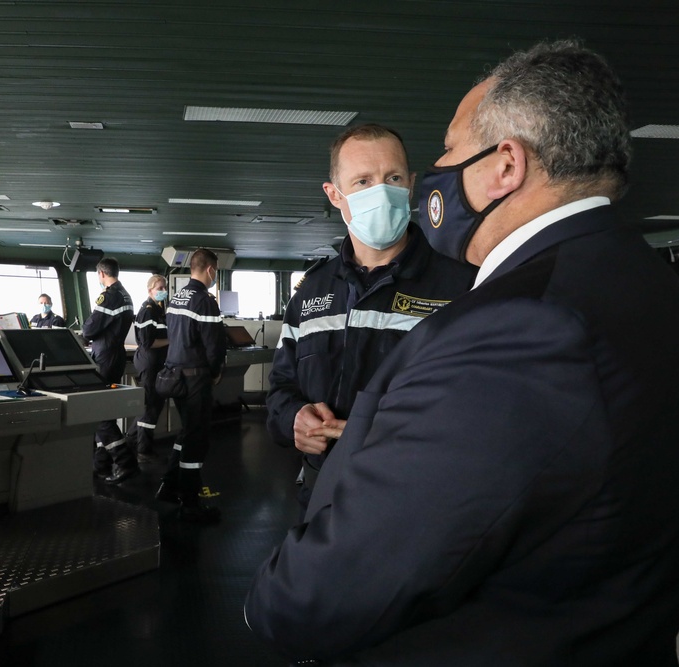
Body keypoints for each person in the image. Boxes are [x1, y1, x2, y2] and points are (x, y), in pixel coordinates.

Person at [245, 40, 679, 665]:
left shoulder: (518, 322)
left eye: (448, 151)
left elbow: (339, 586)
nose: (437, 173)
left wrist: (274, 599)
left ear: (507, 166)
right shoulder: (643, 279)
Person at [267, 124, 476, 513]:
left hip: (416, 498)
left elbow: (477, 406)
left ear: (411, 185)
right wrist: (293, 418)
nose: (381, 192)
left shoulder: (461, 286)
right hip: (320, 495)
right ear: (335, 195)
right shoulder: (311, 291)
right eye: (362, 181)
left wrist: (375, 434)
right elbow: (281, 386)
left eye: (392, 178)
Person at [155, 249, 225, 522]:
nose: (215, 275)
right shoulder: (205, 301)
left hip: (175, 375)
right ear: (209, 270)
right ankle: (190, 501)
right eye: (216, 271)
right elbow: (214, 344)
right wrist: (216, 370)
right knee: (197, 440)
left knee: (187, 432)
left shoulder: (176, 299)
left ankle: (169, 486)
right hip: (196, 378)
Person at [82, 257, 138, 484]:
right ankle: (101, 464)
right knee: (104, 411)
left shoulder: (109, 295)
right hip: (115, 356)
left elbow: (90, 328)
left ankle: (125, 462)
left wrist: (85, 331)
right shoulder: (125, 294)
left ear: (101, 274)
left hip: (104, 357)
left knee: (99, 414)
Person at [125, 274, 169, 464]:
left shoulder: (159, 310)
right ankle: (143, 449)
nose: (163, 291)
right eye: (159, 288)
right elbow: (147, 342)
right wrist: (172, 341)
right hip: (149, 362)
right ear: (150, 290)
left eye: (164, 288)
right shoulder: (147, 311)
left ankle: (129, 441)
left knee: (154, 404)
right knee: (150, 406)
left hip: (158, 362)